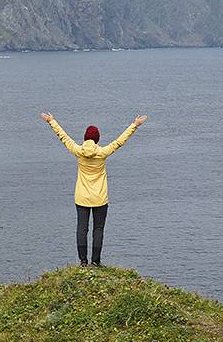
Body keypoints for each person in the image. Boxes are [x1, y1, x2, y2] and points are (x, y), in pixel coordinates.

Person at [39, 112, 148, 266]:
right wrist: (135, 125)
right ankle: (95, 262)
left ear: (85, 138)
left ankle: (83, 261)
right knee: (98, 229)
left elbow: (63, 137)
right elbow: (119, 142)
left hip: (82, 197)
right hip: (100, 198)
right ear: (97, 139)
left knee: (82, 229)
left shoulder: (78, 151)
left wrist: (51, 121)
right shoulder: (102, 153)